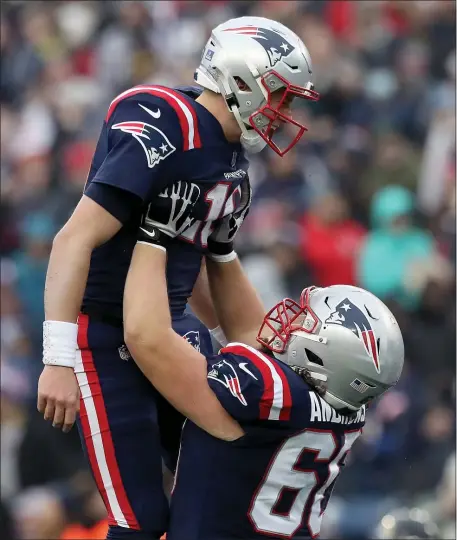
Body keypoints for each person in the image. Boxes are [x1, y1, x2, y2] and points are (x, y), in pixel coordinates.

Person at [37, 15, 319, 540]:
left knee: (227, 472)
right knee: (142, 519)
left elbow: (214, 277)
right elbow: (72, 239)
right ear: (241, 80)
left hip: (172, 328)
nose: (285, 114)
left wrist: (273, 362)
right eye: (281, 97)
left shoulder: (234, 160)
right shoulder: (166, 121)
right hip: (101, 336)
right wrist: (57, 358)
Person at [123, 201, 405, 539]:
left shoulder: (269, 390)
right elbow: (249, 332)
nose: (291, 322)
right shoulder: (341, 403)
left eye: (305, 322)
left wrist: (152, 237)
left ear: (326, 354)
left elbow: (146, 337)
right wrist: (220, 251)